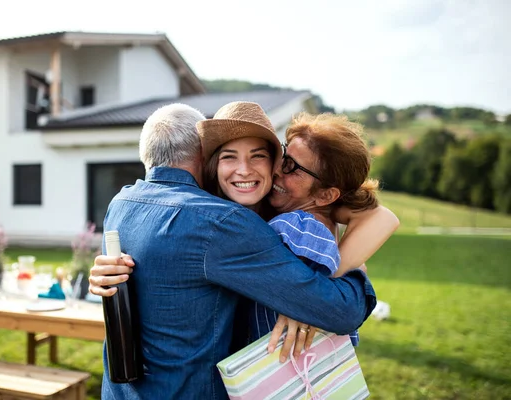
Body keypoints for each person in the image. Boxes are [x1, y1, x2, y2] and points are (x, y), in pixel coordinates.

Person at [90, 102, 393, 399]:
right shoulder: (224, 222)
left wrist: (327, 276)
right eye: (229, 156)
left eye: (261, 157)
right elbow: (339, 311)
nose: (245, 170)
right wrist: (352, 274)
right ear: (208, 159)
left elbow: (379, 216)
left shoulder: (122, 202)